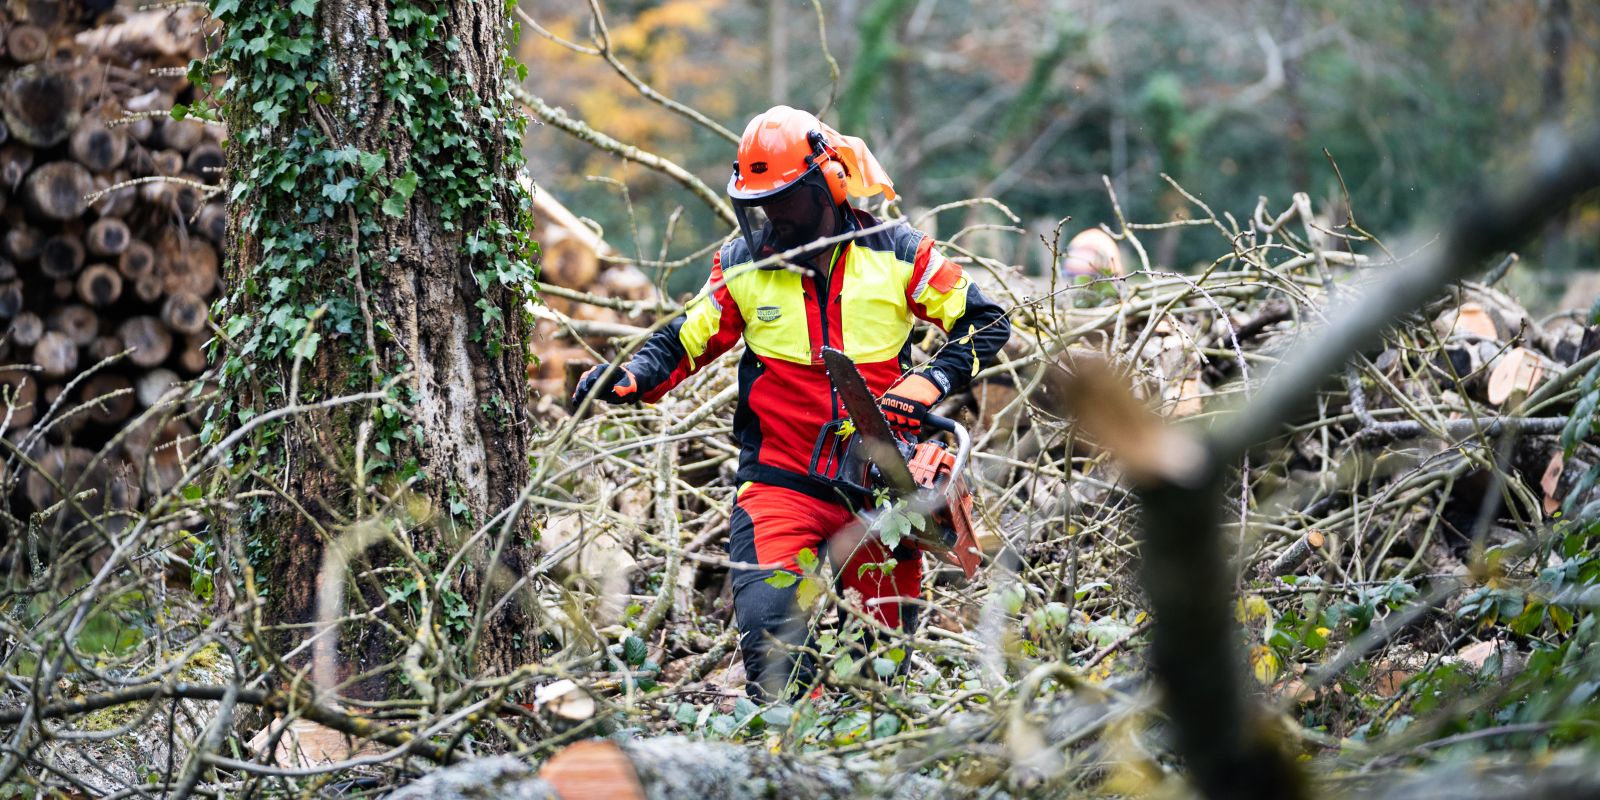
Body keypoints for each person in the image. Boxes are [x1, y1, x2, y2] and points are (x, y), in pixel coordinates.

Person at [572, 105, 1010, 698]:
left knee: (879, 673)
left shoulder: (900, 253)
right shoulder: (743, 265)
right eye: (764, 202)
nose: (776, 215)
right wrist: (631, 377)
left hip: (881, 485)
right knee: (772, 644)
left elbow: (986, 321)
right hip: (782, 481)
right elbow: (684, 338)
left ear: (830, 186)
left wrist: (930, 381)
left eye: (789, 199)